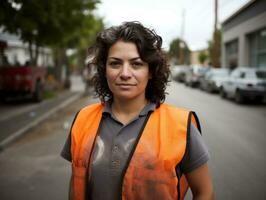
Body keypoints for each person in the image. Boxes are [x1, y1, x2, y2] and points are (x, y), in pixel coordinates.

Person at [61, 21, 214, 200]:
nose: (125, 73)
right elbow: (75, 186)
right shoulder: (83, 119)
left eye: (136, 64)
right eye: (115, 64)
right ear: (104, 70)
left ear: (150, 71)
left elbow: (205, 192)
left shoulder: (181, 125)